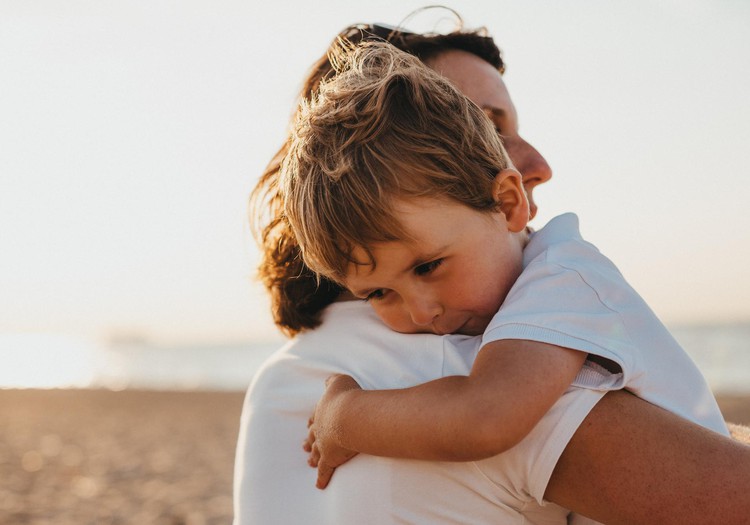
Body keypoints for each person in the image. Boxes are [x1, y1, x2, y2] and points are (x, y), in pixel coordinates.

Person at [234, 19, 750, 525]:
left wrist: (343, 416)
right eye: (484, 123)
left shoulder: (283, 379)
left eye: (430, 266)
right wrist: (343, 416)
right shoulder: (454, 363)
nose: (540, 164)